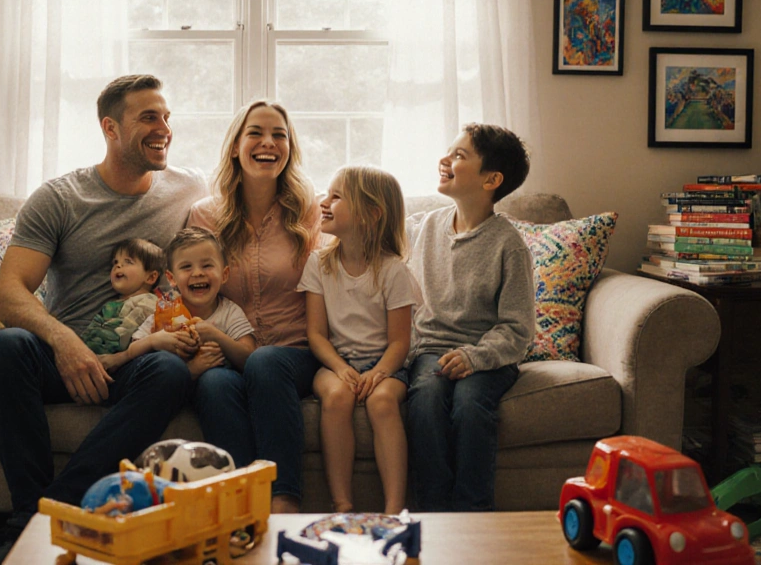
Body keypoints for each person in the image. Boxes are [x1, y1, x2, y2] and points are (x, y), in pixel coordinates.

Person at [0, 74, 207, 536]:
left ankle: (53, 512)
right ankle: (29, 506)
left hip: (130, 360)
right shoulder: (60, 198)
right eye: (148, 117)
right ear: (110, 128)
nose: (164, 127)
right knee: (4, 347)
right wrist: (63, 341)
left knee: (170, 373)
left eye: (166, 117)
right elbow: (9, 293)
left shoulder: (189, 189)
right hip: (61, 357)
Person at [186, 100, 321, 513]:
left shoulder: (310, 211)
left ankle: (283, 502)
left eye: (279, 135)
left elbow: (334, 280)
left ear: (290, 148)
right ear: (235, 147)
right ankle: (242, 506)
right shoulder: (205, 215)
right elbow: (191, 286)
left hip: (293, 354)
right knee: (212, 385)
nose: (268, 143)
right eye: (256, 133)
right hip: (229, 352)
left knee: (264, 362)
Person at [405, 123, 534, 512]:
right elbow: (376, 230)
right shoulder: (426, 226)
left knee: (470, 404)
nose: (445, 159)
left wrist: (475, 358)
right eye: (449, 151)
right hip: (431, 350)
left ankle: (473, 514)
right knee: (425, 399)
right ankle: (434, 511)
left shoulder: (509, 244)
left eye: (459, 155)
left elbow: (518, 328)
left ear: (491, 179)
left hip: (489, 356)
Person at [298, 166, 422, 514]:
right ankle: (342, 503)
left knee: (382, 403)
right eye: (327, 193)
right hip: (335, 361)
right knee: (336, 397)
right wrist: (340, 367)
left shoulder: (393, 270)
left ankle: (394, 509)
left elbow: (400, 342)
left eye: (336, 197)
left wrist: (378, 373)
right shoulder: (319, 263)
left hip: (385, 363)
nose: (324, 202)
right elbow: (316, 334)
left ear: (371, 214)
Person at [127, 227, 256, 379]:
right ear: (171, 278)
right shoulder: (166, 310)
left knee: (217, 380)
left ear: (224, 274)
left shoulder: (229, 312)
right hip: (170, 389)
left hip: (218, 387)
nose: (197, 273)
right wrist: (154, 341)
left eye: (207, 265)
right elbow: (133, 350)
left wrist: (217, 336)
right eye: (186, 267)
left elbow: (250, 359)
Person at [79, 238, 166, 356]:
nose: (118, 266)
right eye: (115, 262)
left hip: (124, 361)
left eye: (128, 261)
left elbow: (126, 334)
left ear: (150, 277)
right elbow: (90, 332)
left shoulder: (149, 302)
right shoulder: (110, 305)